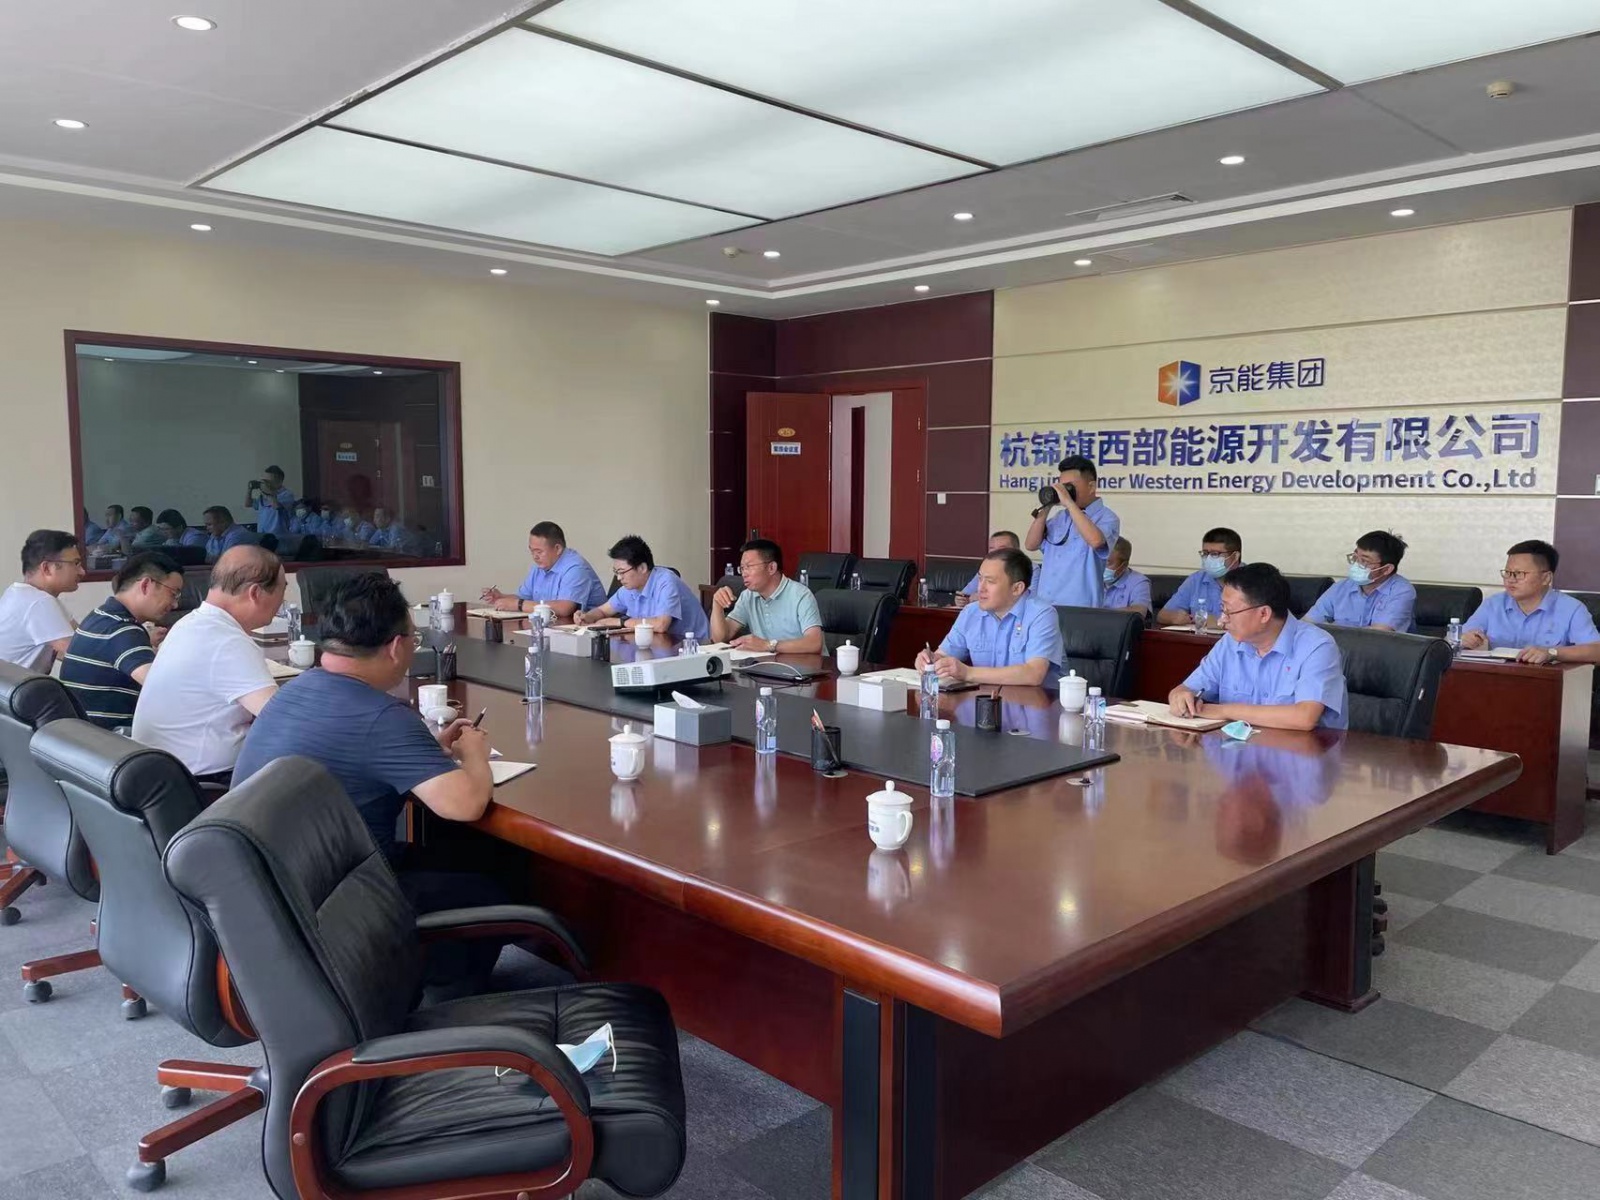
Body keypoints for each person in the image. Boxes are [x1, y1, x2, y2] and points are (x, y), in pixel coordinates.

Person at [232, 572, 507, 992]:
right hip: (337, 908)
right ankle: (445, 1003)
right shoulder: (382, 717)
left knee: (446, 852)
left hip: (270, 895)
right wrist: (474, 755)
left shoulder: (292, 692)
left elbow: (352, 750)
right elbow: (465, 804)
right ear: (396, 647)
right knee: (490, 886)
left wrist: (425, 750)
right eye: (413, 640)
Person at [132, 545, 283, 785]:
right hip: (203, 784)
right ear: (255, 593)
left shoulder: (190, 623)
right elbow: (283, 718)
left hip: (162, 772)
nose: (283, 600)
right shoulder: (226, 640)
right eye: (282, 590)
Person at [1169, 562, 1347, 731]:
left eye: (1229, 611)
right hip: (1238, 748)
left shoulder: (1318, 646)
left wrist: (1222, 711)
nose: (1222, 620)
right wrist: (1180, 696)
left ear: (1264, 614)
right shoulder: (1230, 643)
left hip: (1304, 750)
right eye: (1222, 609)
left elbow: (1304, 718)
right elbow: (1187, 688)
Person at [60, 552, 182, 729]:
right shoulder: (123, 629)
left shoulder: (99, 617)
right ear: (146, 585)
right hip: (109, 737)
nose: (175, 604)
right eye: (173, 594)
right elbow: (162, 687)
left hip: (82, 732)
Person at [915, 547, 1063, 687]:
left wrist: (968, 673)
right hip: (986, 700)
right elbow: (943, 655)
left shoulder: (1042, 614)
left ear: (1017, 588)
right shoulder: (971, 612)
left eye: (990, 581)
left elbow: (1033, 674)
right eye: (980, 579)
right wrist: (931, 661)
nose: (980, 588)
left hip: (1036, 702)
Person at [1461, 540, 1600, 664]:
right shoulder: (1493, 604)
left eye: (1519, 573)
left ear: (1546, 578)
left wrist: (1552, 653)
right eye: (1507, 572)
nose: (1510, 579)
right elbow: (1459, 638)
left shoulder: (1571, 609)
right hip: (1497, 679)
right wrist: (1465, 640)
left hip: (1548, 681)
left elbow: (1597, 651)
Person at [573, 535, 710, 641]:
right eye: (616, 572)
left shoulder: (666, 582)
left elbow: (661, 625)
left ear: (642, 568)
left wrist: (620, 622)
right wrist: (587, 616)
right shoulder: (629, 588)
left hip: (695, 646)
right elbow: (603, 611)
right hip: (659, 644)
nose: (619, 578)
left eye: (622, 572)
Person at [1025, 456, 1119, 607]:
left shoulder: (1107, 517)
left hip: (1080, 608)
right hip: (1046, 606)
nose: (1065, 492)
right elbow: (1030, 544)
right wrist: (1046, 508)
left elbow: (1096, 541)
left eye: (1070, 486)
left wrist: (1069, 502)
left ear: (1091, 486)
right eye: (1062, 486)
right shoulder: (1060, 517)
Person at [710, 538, 824, 653]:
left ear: (771, 568)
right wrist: (717, 604)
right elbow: (720, 639)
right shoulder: (748, 596)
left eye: (749, 566)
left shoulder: (801, 595)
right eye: (742, 568)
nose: (744, 573)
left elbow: (814, 643)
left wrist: (768, 645)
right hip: (768, 662)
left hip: (808, 663)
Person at [483, 521, 608, 619]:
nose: (535, 556)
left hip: (586, 633)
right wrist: (501, 598)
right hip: (552, 628)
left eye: (539, 552)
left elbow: (564, 608)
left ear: (558, 549)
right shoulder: (540, 566)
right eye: (532, 551)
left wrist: (517, 604)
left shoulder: (575, 568)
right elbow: (524, 597)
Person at [0, 530, 83, 672]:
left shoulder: (19, 593)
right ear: (47, 568)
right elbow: (82, 656)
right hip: (20, 686)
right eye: (75, 563)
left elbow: (81, 638)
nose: (82, 571)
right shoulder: (38, 602)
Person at [1305, 530, 1416, 633]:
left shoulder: (1402, 592)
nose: (1356, 564)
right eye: (1355, 557)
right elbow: (1307, 623)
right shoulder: (1341, 587)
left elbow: (1378, 635)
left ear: (1386, 569)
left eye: (1364, 561)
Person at [1158, 527, 1243, 628]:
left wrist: (1217, 622)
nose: (1209, 559)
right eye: (1205, 553)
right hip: (1199, 637)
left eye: (1215, 554)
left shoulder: (1253, 580)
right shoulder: (1196, 579)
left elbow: (1257, 623)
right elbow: (1162, 615)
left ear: (1235, 556)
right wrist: (1175, 617)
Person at [955, 531, 1024, 607]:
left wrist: (984, 597)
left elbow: (1028, 599)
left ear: (1017, 550)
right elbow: (965, 594)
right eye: (992, 548)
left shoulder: (1029, 569)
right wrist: (961, 600)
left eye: (1002, 548)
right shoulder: (986, 569)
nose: (995, 552)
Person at [1101, 536, 1151, 618]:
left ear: (1124, 565)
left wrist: (1100, 615)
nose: (1101, 567)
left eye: (1107, 563)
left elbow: (1139, 611)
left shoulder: (1139, 581)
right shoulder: (1089, 577)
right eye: (1100, 561)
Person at [245, 465, 296, 539]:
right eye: (264, 481)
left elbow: (276, 507)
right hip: (262, 536)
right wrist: (250, 489)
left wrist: (269, 492)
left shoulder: (287, 494)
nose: (265, 483)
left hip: (278, 537)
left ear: (279, 481)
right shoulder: (264, 496)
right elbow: (248, 504)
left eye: (268, 481)